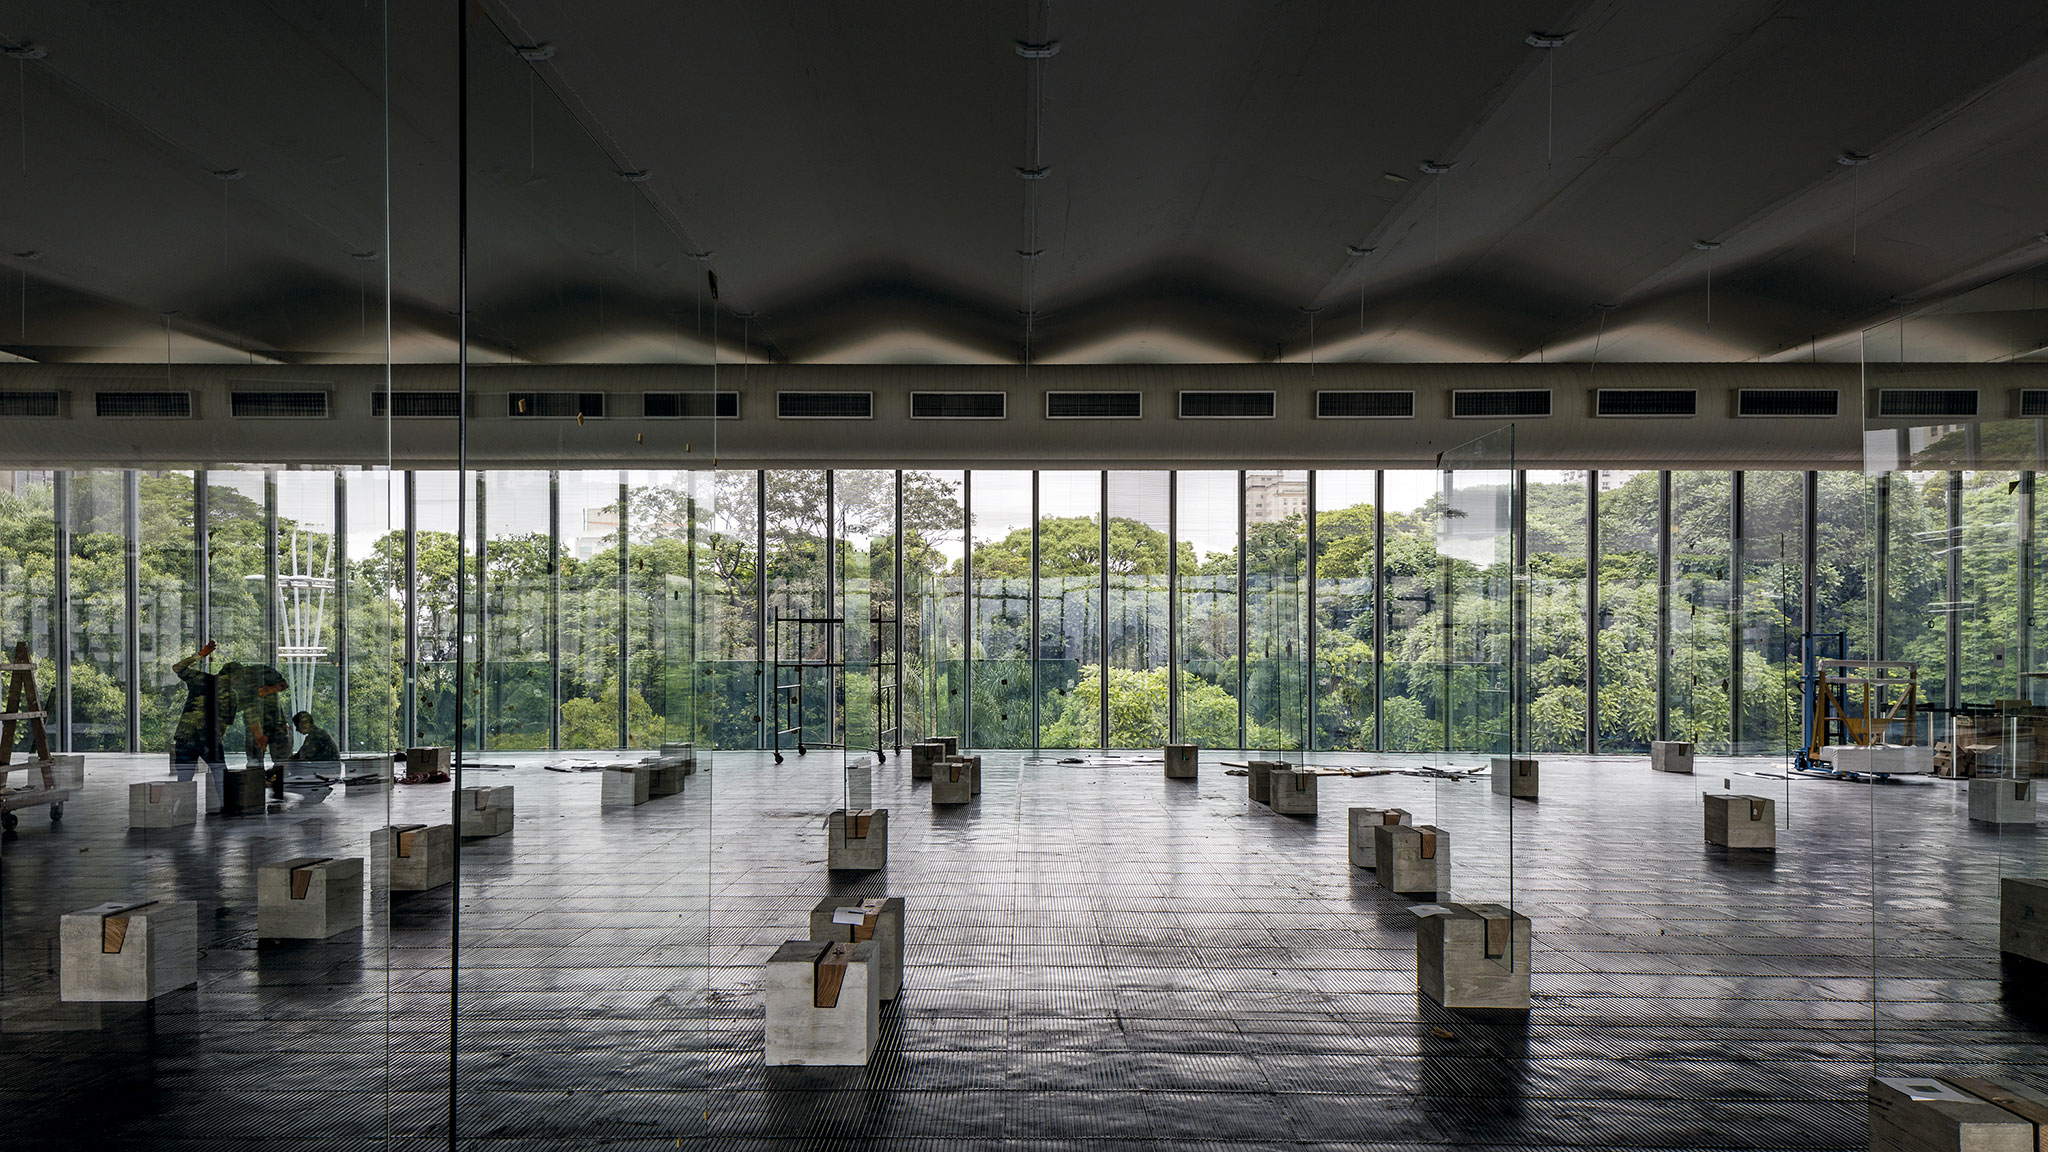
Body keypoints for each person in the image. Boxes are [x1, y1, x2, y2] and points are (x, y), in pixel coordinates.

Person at [170, 641, 229, 811]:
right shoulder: (227, 693)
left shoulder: (202, 680)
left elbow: (177, 667)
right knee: (219, 772)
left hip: (186, 736)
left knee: (184, 778)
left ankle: (181, 810)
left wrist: (200, 655)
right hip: (207, 739)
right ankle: (225, 805)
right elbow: (224, 722)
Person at [219, 661, 292, 799]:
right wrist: (257, 733)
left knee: (281, 760)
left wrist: (269, 690)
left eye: (231, 679)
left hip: (275, 721)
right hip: (254, 727)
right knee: (254, 762)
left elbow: (284, 684)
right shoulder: (233, 688)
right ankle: (255, 792)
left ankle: (278, 790)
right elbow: (244, 709)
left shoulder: (262, 671)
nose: (232, 682)